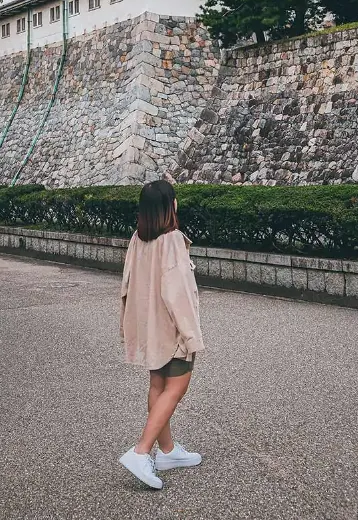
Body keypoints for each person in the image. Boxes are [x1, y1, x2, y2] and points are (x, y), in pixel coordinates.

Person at [119, 179, 205, 489]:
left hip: (151, 327)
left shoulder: (138, 239)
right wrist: (190, 334)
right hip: (172, 328)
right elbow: (178, 292)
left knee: (157, 384)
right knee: (176, 388)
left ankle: (167, 451)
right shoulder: (172, 241)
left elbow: (128, 284)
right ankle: (141, 451)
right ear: (171, 206)